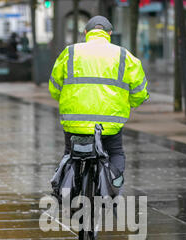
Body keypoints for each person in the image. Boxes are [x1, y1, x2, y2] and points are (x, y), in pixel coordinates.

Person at [48, 15, 149, 175]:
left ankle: (63, 187)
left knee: (69, 153)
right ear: (109, 34)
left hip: (75, 122)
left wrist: (65, 98)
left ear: (86, 32)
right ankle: (113, 188)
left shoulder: (71, 52)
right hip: (109, 123)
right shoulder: (123, 55)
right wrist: (131, 102)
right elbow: (139, 91)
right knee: (115, 152)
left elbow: (54, 87)